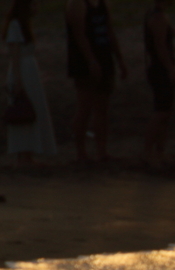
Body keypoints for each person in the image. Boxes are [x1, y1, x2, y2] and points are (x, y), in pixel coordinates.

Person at [65, 0, 127, 162]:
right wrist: (91, 60)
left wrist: (119, 59)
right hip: (84, 62)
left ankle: (101, 151)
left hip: (105, 57)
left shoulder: (102, 3)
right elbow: (79, 34)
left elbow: (109, 31)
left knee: (102, 108)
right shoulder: (76, 4)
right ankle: (81, 152)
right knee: (84, 108)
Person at [5, 0, 56, 165]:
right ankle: (24, 155)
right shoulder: (15, 24)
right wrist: (19, 80)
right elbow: (15, 53)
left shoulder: (23, 24)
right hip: (23, 72)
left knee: (30, 111)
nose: (36, 8)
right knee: (24, 111)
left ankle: (26, 154)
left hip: (28, 71)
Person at [143, 0, 175, 168]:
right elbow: (160, 46)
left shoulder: (158, 15)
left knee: (165, 113)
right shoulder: (157, 18)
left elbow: (168, 35)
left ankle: (160, 151)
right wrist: (171, 70)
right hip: (159, 70)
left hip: (159, 68)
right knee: (160, 112)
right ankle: (147, 152)